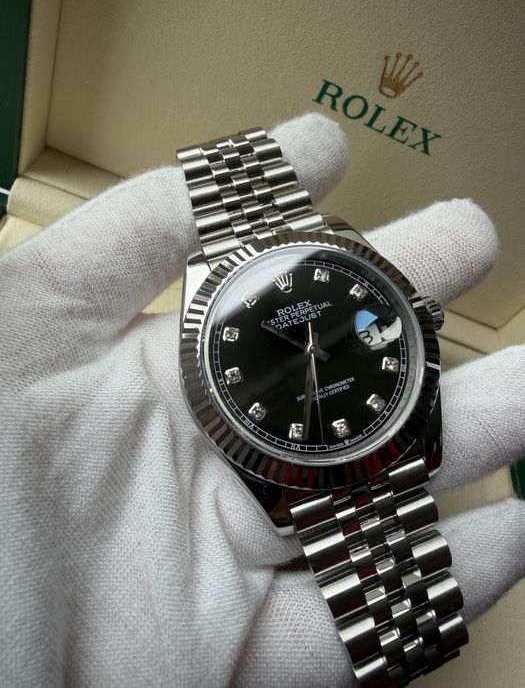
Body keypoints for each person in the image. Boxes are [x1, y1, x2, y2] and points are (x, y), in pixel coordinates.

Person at [1, 113, 523, 686]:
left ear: (421, 318)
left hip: (376, 423)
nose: (311, 349)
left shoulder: (375, 308)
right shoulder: (209, 367)